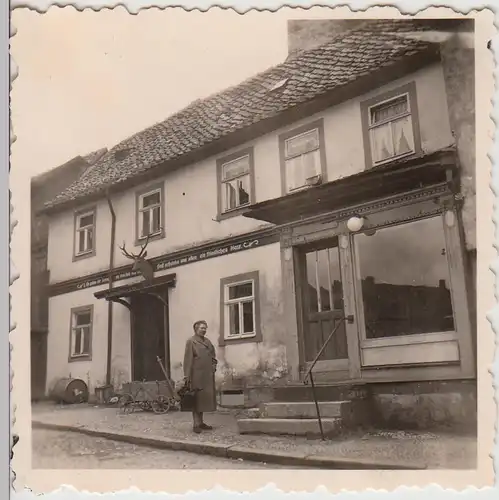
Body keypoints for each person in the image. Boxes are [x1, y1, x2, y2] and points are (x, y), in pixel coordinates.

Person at [183, 320, 218, 433]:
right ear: (196, 329)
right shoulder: (191, 341)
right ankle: (195, 424)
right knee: (196, 399)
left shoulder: (208, 342)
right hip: (196, 375)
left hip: (207, 376)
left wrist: (213, 367)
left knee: (203, 400)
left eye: (205, 328)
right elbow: (188, 360)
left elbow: (213, 356)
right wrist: (187, 377)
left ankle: (201, 422)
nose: (204, 330)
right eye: (202, 328)